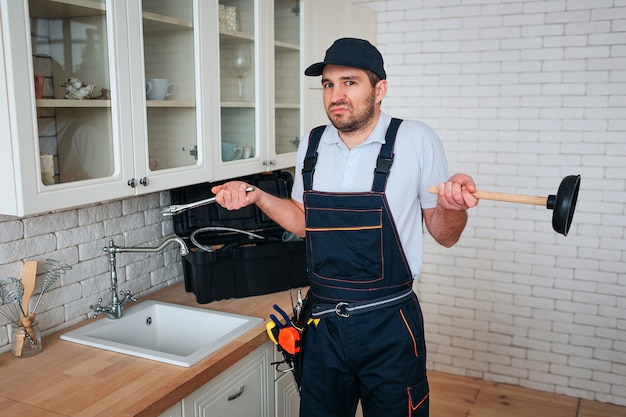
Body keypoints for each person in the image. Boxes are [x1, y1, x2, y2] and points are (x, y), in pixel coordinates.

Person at [212, 38, 479, 417]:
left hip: (389, 322)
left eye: (349, 82)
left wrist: (452, 207)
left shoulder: (415, 139)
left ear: (380, 89)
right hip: (323, 325)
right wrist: (257, 196)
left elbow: (446, 235)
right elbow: (306, 222)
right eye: (328, 84)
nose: (336, 95)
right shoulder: (313, 143)